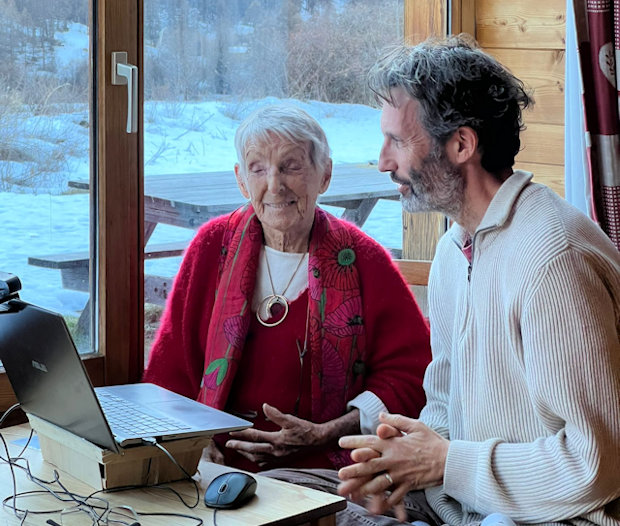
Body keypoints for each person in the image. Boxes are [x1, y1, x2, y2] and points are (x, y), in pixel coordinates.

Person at [332, 35, 620, 525]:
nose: (384, 162)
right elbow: (444, 405)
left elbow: (597, 464)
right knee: (303, 501)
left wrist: (445, 462)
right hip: (466, 509)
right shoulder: (454, 248)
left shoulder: (553, 258)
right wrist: (397, 468)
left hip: (556, 518)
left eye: (398, 141)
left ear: (461, 144)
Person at [143, 105, 432, 473]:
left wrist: (326, 432)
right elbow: (169, 371)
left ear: (324, 175)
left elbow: (410, 375)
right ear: (240, 179)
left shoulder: (362, 260)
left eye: (291, 166)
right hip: (213, 463)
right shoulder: (212, 247)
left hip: (324, 464)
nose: (274, 185)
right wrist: (191, 445)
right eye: (258, 168)